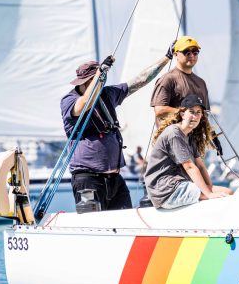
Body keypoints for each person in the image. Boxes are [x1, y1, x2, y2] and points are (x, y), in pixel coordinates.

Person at [61, 46, 173, 211]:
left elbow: (140, 80)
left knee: (125, 218)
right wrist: (100, 74)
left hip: (114, 178)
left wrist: (166, 58)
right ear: (84, 82)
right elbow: (84, 104)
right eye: (96, 80)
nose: (101, 83)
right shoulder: (69, 100)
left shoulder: (108, 94)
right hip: (88, 178)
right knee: (94, 223)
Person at [144, 94, 232, 209]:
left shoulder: (189, 136)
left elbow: (200, 166)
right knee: (223, 196)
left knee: (228, 192)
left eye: (198, 112)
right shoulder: (174, 133)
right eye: (191, 112)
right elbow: (190, 167)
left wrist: (209, 188)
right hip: (165, 191)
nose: (195, 116)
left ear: (201, 116)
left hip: (178, 185)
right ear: (182, 114)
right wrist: (209, 194)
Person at [150, 36, 210, 124]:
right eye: (187, 52)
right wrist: (186, 113)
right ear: (175, 54)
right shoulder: (167, 79)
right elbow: (160, 110)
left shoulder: (201, 83)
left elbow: (205, 113)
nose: (192, 55)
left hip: (195, 133)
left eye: (195, 52)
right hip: (173, 132)